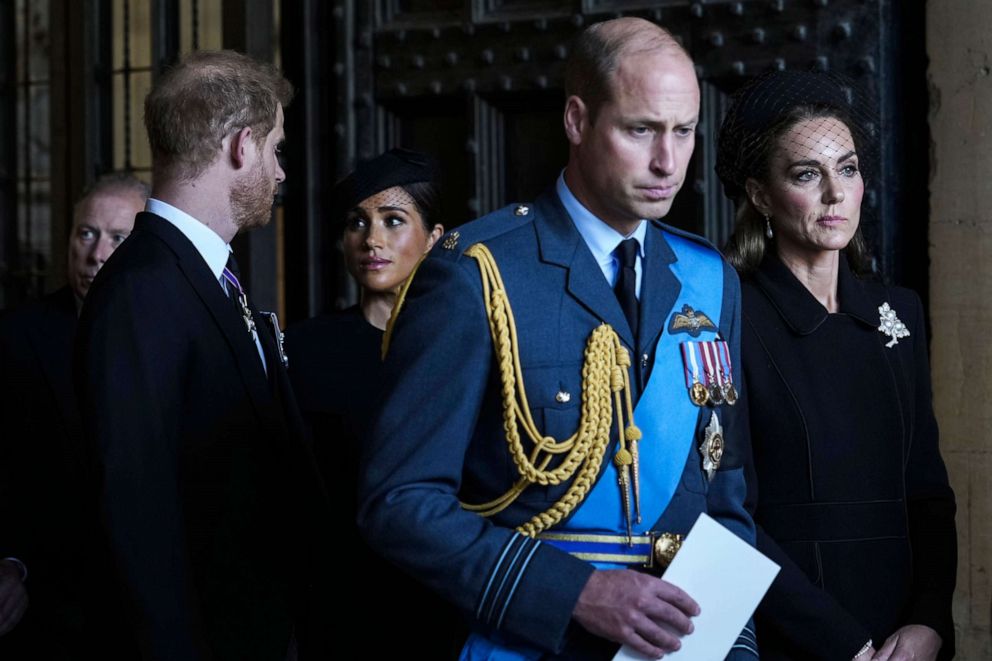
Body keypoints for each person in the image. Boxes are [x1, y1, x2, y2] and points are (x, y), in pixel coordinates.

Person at [359, 17, 758, 660]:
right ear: (577, 121)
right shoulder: (477, 274)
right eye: (641, 130)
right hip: (529, 642)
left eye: (684, 132)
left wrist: (732, 648)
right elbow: (399, 503)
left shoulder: (710, 280)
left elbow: (727, 498)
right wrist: (575, 592)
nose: (668, 161)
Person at [74, 50, 332, 661]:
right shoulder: (142, 290)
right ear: (242, 146)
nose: (281, 172)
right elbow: (137, 513)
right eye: (276, 150)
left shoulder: (206, 274)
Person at [718, 70, 957, 661]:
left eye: (847, 170)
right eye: (807, 174)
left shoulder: (897, 311)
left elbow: (927, 491)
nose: (835, 194)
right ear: (759, 194)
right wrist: (843, 644)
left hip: (906, 637)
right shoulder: (729, 316)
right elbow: (728, 515)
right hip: (792, 633)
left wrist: (929, 622)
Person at [285, 147, 456, 657]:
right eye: (357, 222)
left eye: (393, 220)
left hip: (441, 600)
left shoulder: (465, 351)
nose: (372, 240)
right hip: (338, 604)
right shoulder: (304, 350)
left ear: (434, 238)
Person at [0, 173, 147, 659]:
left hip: (145, 604)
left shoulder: (167, 337)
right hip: (45, 600)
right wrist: (10, 561)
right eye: (86, 233)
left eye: (118, 237)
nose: (97, 253)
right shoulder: (17, 337)